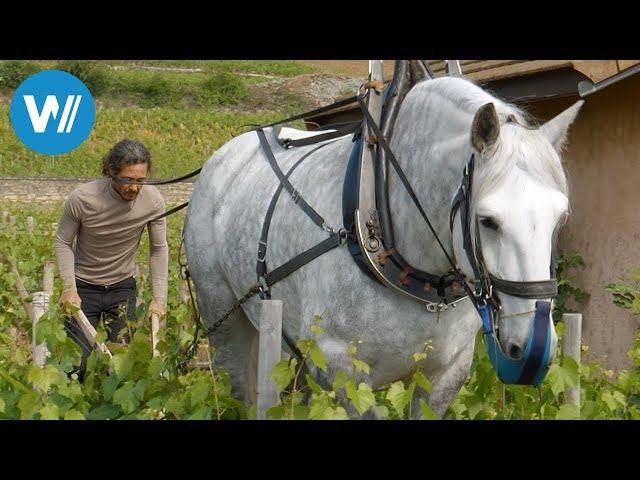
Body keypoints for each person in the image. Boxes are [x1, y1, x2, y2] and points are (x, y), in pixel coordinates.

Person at [54, 139, 168, 380]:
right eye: (128, 180)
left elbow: (158, 248)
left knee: (122, 364)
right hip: (84, 287)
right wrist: (69, 289)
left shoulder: (153, 201)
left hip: (122, 287)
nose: (135, 188)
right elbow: (63, 242)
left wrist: (159, 299)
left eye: (140, 181)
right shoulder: (83, 199)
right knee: (80, 364)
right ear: (111, 172)